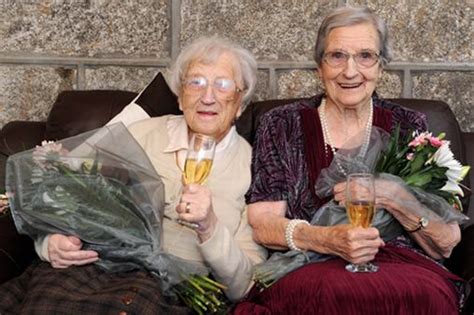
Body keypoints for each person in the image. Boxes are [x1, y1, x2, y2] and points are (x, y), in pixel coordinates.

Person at [0, 36, 267, 314]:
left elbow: (244, 285)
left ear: (240, 104)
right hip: (93, 269)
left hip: (173, 291)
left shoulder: (255, 167)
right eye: (196, 82)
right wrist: (50, 244)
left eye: (222, 84)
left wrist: (209, 226)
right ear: (180, 97)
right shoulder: (139, 135)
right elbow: (69, 197)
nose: (208, 96)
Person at [233, 6, 466, 315]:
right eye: (337, 56)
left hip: (402, 266)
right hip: (311, 263)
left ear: (381, 67)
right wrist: (325, 239)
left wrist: (394, 196)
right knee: (319, 294)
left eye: (366, 56)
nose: (351, 71)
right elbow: (264, 225)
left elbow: (447, 241)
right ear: (319, 66)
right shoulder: (281, 124)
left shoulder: (411, 126)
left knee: (425, 297)